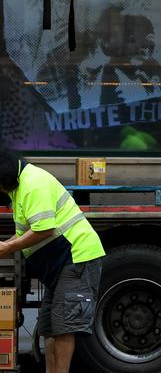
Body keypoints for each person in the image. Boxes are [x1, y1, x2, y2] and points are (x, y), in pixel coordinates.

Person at [0, 149, 105, 373]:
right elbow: (24, 233)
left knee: (62, 328)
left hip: (77, 257)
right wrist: (6, 245)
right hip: (60, 264)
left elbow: (44, 230)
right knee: (49, 327)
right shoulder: (19, 189)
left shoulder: (33, 184)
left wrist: (8, 247)